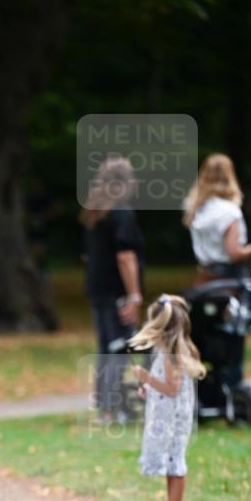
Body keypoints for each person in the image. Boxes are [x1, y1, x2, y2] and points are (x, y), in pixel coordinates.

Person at [129, 294, 205, 501]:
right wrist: (149, 390)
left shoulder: (173, 357)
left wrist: (147, 378)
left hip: (173, 420)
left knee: (175, 459)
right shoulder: (166, 353)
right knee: (170, 459)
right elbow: (167, 389)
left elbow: (172, 389)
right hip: (166, 416)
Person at [80, 157, 145, 423]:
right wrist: (134, 295)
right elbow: (126, 257)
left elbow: (86, 256)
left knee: (106, 348)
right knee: (119, 348)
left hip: (97, 289)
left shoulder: (94, 212)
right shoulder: (122, 213)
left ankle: (106, 406)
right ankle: (112, 409)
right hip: (116, 292)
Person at [183, 153, 251, 284]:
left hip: (204, 277)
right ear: (230, 176)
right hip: (229, 280)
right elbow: (234, 253)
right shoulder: (229, 211)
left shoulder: (197, 209)